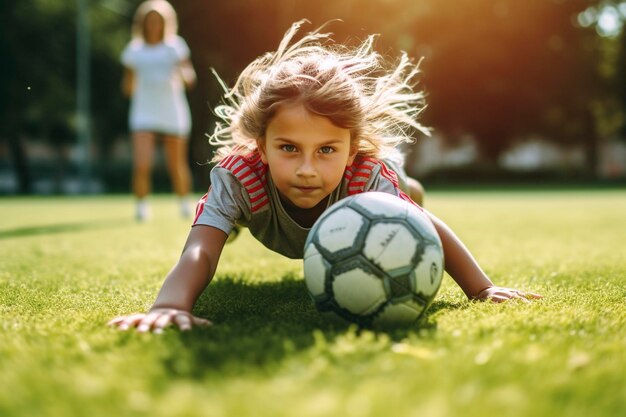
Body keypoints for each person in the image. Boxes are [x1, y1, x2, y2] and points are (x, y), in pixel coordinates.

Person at [109, 20, 541, 333]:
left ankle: (407, 194)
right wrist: (169, 304)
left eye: (327, 150)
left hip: (378, 192)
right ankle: (236, 223)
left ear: (351, 149)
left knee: (406, 201)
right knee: (224, 220)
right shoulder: (240, 176)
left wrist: (481, 289)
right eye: (288, 148)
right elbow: (199, 253)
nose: (307, 169)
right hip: (258, 210)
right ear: (261, 145)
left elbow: (432, 230)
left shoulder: (365, 175)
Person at [121, 0, 196, 221]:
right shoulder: (134, 50)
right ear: (143, 23)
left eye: (158, 21)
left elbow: (190, 78)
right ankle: (142, 206)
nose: (154, 25)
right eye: (150, 21)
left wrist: (182, 74)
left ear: (166, 23)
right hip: (144, 111)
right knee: (142, 164)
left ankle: (184, 203)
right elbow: (127, 87)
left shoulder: (176, 47)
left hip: (172, 109)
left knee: (176, 164)